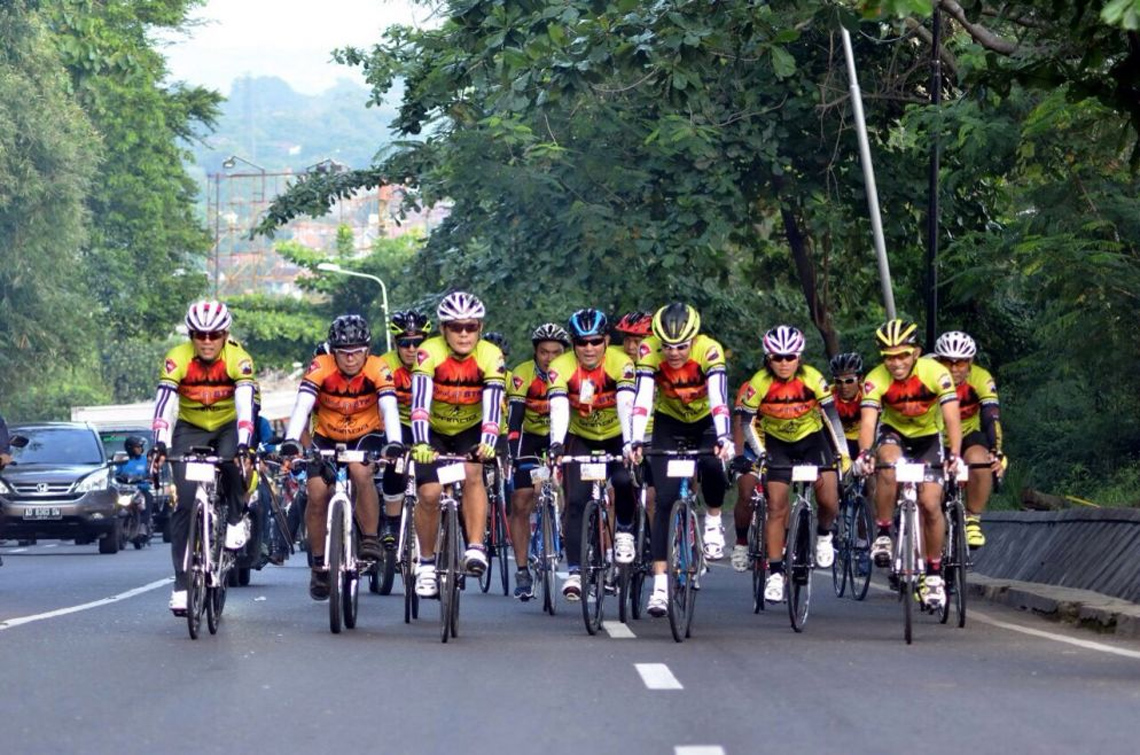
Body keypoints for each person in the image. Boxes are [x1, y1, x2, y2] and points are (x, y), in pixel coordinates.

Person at [278, 315, 402, 600]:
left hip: (366, 433)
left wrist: (394, 442)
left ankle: (369, 538)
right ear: (333, 352)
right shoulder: (321, 366)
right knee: (316, 492)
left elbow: (389, 407)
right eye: (343, 352)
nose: (350, 358)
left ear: (367, 350)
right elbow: (303, 405)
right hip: (327, 435)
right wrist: (291, 440)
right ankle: (319, 564)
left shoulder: (378, 367)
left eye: (357, 352)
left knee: (360, 472)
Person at [151, 300, 256, 615]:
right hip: (191, 428)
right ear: (191, 335)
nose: (207, 341)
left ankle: (234, 519)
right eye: (200, 335)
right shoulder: (177, 358)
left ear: (225, 335)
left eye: (214, 335)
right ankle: (182, 585)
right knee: (184, 504)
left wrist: (244, 444)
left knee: (234, 462)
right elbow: (164, 403)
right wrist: (159, 443)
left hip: (227, 426)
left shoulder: (239, 359)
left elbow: (245, 405)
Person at [629, 302, 734, 617]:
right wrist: (635, 439)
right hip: (669, 423)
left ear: (694, 339)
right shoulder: (648, 351)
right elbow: (642, 399)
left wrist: (724, 437)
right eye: (668, 346)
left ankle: (713, 520)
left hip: (705, 422)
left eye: (681, 346)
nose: (674, 353)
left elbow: (718, 399)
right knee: (664, 501)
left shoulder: (709, 351)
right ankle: (660, 587)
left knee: (713, 463)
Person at [734, 326, 849, 603]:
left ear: (799, 357)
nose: (784, 363)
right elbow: (747, 423)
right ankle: (775, 573)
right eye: (777, 358)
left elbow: (832, 419)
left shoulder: (813, 379)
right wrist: (761, 453)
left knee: (829, 499)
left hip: (812, 440)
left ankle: (824, 534)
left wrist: (843, 454)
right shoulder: (759, 383)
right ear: (768, 358)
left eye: (790, 357)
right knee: (776, 506)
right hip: (778, 444)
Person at [856, 319, 961, 611]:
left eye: (902, 355)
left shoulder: (936, 373)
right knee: (888, 464)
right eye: (889, 357)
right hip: (894, 433)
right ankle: (883, 533)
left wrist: (954, 453)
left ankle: (934, 574)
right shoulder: (875, 379)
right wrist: (865, 453)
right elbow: (868, 422)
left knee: (930, 504)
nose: (896, 363)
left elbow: (952, 417)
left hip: (928, 438)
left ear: (915, 352)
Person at [409, 292, 506, 598]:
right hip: (433, 429)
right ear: (443, 329)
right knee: (429, 493)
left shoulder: (491, 355)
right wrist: (421, 441)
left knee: (473, 473)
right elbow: (419, 404)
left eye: (471, 327)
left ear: (480, 328)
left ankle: (475, 547)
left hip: (470, 427)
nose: (464, 334)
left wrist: (488, 442)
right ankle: (426, 563)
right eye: (455, 327)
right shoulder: (429, 352)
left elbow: (493, 405)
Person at [547, 308, 636, 600]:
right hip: (581, 437)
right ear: (573, 344)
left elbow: (626, 404)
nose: (589, 348)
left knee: (623, 481)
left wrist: (629, 442)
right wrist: (556, 444)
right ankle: (575, 572)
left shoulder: (621, 363)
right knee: (575, 502)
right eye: (582, 342)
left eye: (595, 341)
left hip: (616, 435)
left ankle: (624, 530)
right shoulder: (560, 367)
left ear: (606, 340)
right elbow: (559, 407)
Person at [505, 322, 570, 600]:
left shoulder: (571, 370)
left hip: (564, 436)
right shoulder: (522, 375)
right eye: (544, 352)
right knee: (521, 500)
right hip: (531, 439)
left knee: (575, 490)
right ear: (535, 352)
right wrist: (511, 454)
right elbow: (515, 420)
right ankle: (522, 571)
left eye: (556, 352)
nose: (550, 358)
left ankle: (565, 529)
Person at [932, 331, 1004, 548]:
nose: (954, 369)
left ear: (970, 361)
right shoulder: (928, 375)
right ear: (938, 360)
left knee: (981, 460)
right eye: (947, 362)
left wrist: (997, 450)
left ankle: (972, 519)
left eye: (961, 362)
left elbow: (991, 417)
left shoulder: (981, 378)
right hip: (933, 435)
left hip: (967, 434)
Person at [379, 310, 432, 546]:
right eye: (404, 343)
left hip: (431, 424)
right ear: (395, 344)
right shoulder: (385, 365)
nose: (411, 349)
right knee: (395, 464)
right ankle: (392, 522)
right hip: (398, 424)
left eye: (417, 343)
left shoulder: (437, 360)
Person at [115, 436, 154, 537]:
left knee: (148, 497)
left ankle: (143, 525)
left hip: (141, 490)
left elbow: (152, 473)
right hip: (125, 491)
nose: (140, 449)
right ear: (130, 448)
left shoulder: (146, 460)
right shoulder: (123, 461)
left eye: (140, 447)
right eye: (137, 447)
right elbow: (115, 473)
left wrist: (149, 477)